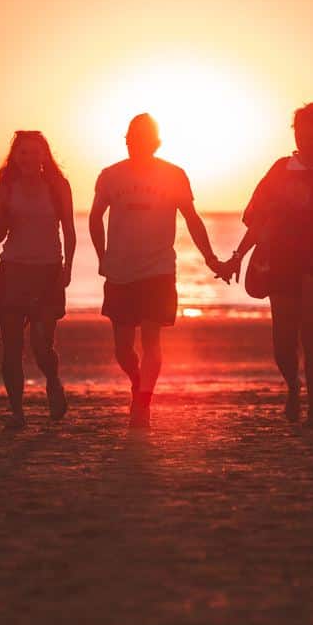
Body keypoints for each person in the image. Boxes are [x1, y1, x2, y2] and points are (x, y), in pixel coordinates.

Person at [221, 102, 313, 426]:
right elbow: (259, 221)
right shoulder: (280, 170)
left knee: (312, 332)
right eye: (299, 128)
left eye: (311, 127)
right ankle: (293, 387)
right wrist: (238, 255)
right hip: (282, 261)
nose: (304, 134)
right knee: (282, 340)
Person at [90, 113, 228, 428]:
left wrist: (210, 258)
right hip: (120, 271)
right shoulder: (110, 176)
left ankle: (144, 401)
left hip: (158, 269)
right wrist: (103, 256)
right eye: (131, 138)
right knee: (123, 349)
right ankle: (138, 381)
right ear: (126, 140)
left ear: (155, 142)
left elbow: (192, 219)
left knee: (152, 340)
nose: (135, 143)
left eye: (142, 138)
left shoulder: (174, 175)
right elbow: (95, 217)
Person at [0, 131, 76, 427]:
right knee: (11, 346)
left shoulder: (58, 186)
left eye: (35, 152)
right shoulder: (7, 187)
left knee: (41, 344)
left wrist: (68, 268)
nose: (29, 158)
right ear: (15, 157)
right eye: (23, 152)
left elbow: (69, 229)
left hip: (48, 271)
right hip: (13, 270)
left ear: (43, 156)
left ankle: (53, 382)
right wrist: (4, 216)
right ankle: (17, 412)